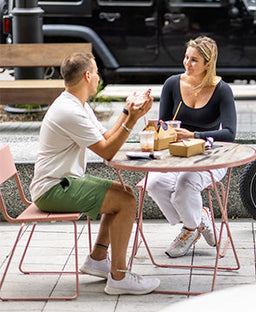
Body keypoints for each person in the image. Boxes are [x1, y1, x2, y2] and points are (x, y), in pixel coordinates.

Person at [29, 52, 160, 295]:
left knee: (124, 192)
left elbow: (106, 137)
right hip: (53, 188)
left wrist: (127, 110)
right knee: (126, 201)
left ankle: (98, 259)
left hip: (63, 181)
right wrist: (132, 120)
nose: (98, 76)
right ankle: (119, 277)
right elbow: (108, 152)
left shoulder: (77, 104)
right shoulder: (69, 111)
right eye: (97, 72)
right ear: (88, 76)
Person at [146, 36, 236, 258]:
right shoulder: (172, 84)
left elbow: (230, 133)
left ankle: (190, 229)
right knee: (154, 183)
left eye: (194, 60)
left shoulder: (222, 89)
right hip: (178, 156)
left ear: (208, 63)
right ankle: (198, 220)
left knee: (185, 185)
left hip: (210, 157)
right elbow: (164, 126)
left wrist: (195, 135)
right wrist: (154, 126)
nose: (187, 63)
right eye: (186, 57)